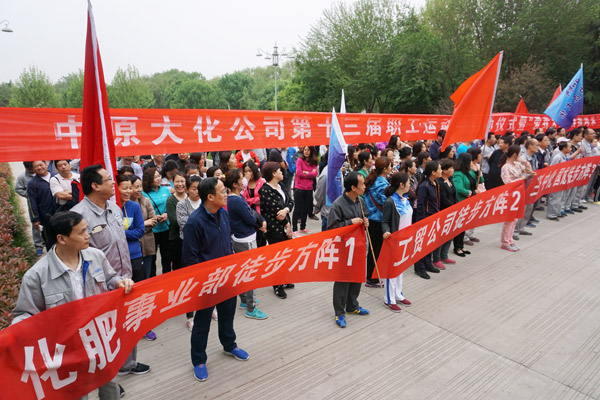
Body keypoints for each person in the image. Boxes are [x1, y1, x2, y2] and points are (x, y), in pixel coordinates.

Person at [12, 211, 135, 400]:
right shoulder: (37, 276)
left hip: (99, 339)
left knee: (110, 384)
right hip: (66, 350)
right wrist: (13, 335)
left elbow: (110, 278)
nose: (88, 235)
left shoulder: (95, 256)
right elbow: (25, 314)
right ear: (61, 239)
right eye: (81, 232)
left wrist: (120, 282)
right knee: (77, 393)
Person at [70, 164, 150, 377]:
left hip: (125, 279)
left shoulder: (115, 208)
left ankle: (128, 364)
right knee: (104, 332)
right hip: (100, 285)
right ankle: (108, 377)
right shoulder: (77, 216)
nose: (113, 183)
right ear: (95, 185)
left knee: (127, 323)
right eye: (108, 180)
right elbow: (78, 256)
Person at [182, 178, 249, 382]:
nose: (226, 194)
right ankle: (198, 360)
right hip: (207, 283)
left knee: (227, 315)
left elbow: (227, 243)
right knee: (202, 323)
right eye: (222, 191)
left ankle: (229, 345)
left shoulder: (223, 213)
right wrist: (203, 282)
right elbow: (190, 259)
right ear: (210, 196)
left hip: (227, 277)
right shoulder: (194, 223)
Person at [224, 169, 269, 320]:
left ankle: (244, 300)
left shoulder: (233, 198)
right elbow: (249, 217)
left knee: (242, 270)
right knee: (251, 273)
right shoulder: (236, 200)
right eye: (241, 177)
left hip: (239, 237)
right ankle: (251, 307)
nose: (244, 179)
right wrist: (260, 224)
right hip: (246, 239)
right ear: (235, 184)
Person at [327, 171, 370, 328]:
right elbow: (331, 229)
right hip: (344, 250)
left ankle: (352, 305)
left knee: (357, 277)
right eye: (362, 184)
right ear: (353, 187)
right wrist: (350, 222)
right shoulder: (338, 205)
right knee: (343, 280)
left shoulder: (360, 201)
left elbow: (366, 215)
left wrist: (365, 221)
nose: (364, 187)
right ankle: (339, 312)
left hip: (359, 247)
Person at [259, 161, 294, 299]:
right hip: (275, 229)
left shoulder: (282, 186)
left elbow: (290, 202)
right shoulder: (265, 190)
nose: (282, 172)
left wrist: (286, 210)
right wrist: (287, 224)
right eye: (279, 170)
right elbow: (275, 212)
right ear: (273, 173)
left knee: (286, 255)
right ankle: (277, 285)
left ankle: (284, 279)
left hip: (286, 226)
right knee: (277, 257)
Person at [381, 172, 413, 312]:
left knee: (400, 269)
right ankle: (389, 299)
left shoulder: (406, 200)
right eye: (408, 183)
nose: (410, 185)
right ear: (401, 184)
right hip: (394, 240)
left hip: (405, 240)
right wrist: (386, 232)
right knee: (391, 271)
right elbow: (385, 221)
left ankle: (398, 294)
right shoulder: (390, 202)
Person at [176, 175, 203, 330]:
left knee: (206, 280)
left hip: (205, 247)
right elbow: (184, 224)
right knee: (190, 282)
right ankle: (190, 316)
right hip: (189, 247)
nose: (197, 191)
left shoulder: (205, 202)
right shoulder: (181, 205)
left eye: (199, 188)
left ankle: (208, 308)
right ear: (187, 189)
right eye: (194, 188)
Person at [364, 156, 392, 287]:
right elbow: (386, 203)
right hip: (378, 220)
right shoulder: (382, 184)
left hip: (371, 219)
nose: (391, 168)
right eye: (390, 166)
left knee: (373, 250)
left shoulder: (373, 180)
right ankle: (371, 278)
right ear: (385, 169)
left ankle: (372, 276)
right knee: (376, 251)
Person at [499, 145, 533, 251]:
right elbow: (507, 182)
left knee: (515, 219)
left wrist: (524, 161)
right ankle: (505, 242)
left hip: (519, 194)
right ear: (514, 154)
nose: (520, 156)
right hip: (511, 195)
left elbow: (528, 170)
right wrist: (521, 179)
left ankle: (510, 240)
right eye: (519, 154)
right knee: (509, 219)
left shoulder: (517, 164)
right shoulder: (505, 167)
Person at [414, 161, 443, 279]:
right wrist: (423, 221)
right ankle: (419, 268)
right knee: (422, 244)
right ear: (433, 172)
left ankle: (428, 263)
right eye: (439, 169)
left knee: (430, 243)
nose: (441, 171)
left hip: (434, 217)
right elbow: (420, 205)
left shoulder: (436, 183)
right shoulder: (424, 186)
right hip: (425, 218)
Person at [142, 167, 171, 276]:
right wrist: (154, 216)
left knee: (167, 256)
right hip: (152, 230)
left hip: (166, 227)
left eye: (159, 176)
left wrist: (167, 214)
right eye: (155, 177)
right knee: (152, 258)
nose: (159, 179)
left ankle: (167, 277)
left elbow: (170, 206)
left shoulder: (166, 190)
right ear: (149, 179)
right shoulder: (143, 193)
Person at [129, 175, 157, 280]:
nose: (139, 189)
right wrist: (144, 224)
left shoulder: (145, 201)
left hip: (147, 243)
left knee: (147, 274)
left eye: (140, 186)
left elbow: (153, 220)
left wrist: (138, 228)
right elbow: (127, 228)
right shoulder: (125, 205)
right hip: (133, 246)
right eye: (136, 187)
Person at [15, 161, 45, 255]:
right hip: (33, 204)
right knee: (36, 223)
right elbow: (18, 189)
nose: (33, 171)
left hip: (45, 202)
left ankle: (47, 241)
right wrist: (29, 195)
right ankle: (38, 245)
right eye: (30, 169)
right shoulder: (22, 177)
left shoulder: (42, 174)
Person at [432, 159, 457, 269]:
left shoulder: (450, 180)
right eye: (451, 168)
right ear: (444, 170)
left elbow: (454, 195)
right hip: (444, 212)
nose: (453, 170)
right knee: (440, 236)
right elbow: (443, 199)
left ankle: (444, 255)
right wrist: (453, 206)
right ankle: (436, 258)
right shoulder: (440, 183)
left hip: (453, 211)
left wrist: (458, 205)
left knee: (450, 234)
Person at [28, 160, 58, 251]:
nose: (39, 168)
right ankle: (52, 257)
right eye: (36, 166)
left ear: (46, 164)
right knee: (49, 240)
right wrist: (35, 219)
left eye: (41, 165)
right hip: (45, 217)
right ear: (33, 169)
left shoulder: (56, 176)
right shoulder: (32, 183)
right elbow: (32, 202)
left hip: (60, 213)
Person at [292, 146, 319, 234]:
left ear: (311, 152)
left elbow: (315, 174)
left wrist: (306, 173)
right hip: (299, 187)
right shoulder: (300, 160)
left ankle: (303, 227)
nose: (306, 152)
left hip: (309, 188)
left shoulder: (313, 161)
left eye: (308, 150)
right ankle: (294, 229)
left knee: (306, 208)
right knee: (298, 208)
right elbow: (299, 173)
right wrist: (310, 174)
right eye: (305, 150)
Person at [241, 160, 267, 247]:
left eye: (250, 171)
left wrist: (249, 200)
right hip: (248, 212)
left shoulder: (261, 181)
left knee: (261, 237)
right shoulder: (242, 183)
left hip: (260, 212)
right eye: (245, 171)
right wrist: (245, 182)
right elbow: (241, 198)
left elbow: (262, 198)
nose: (248, 173)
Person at [166, 172, 187, 273]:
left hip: (191, 237)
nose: (180, 184)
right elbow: (175, 221)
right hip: (176, 238)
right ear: (173, 183)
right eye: (177, 181)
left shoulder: (190, 197)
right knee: (178, 266)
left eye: (182, 181)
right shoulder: (171, 200)